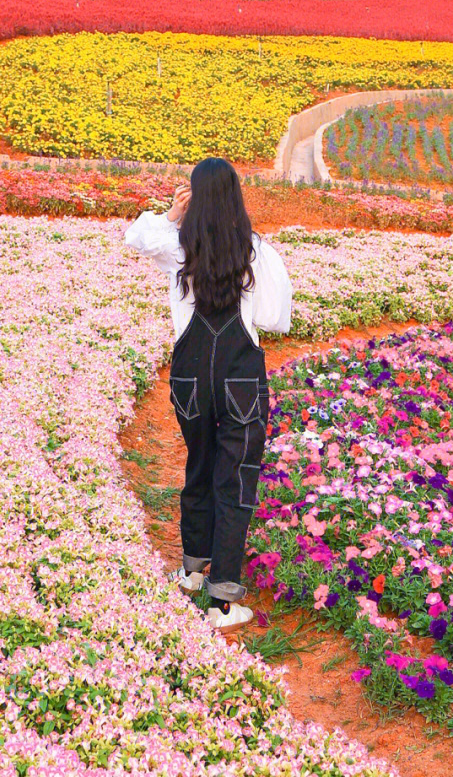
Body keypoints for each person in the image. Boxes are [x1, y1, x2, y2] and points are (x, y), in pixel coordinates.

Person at [125, 157, 292, 630]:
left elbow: (136, 236)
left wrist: (174, 215)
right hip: (239, 376)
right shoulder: (256, 250)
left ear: (194, 196)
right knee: (233, 478)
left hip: (190, 377)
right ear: (236, 195)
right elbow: (277, 318)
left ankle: (193, 570)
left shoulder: (180, 246)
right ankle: (222, 598)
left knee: (198, 465)